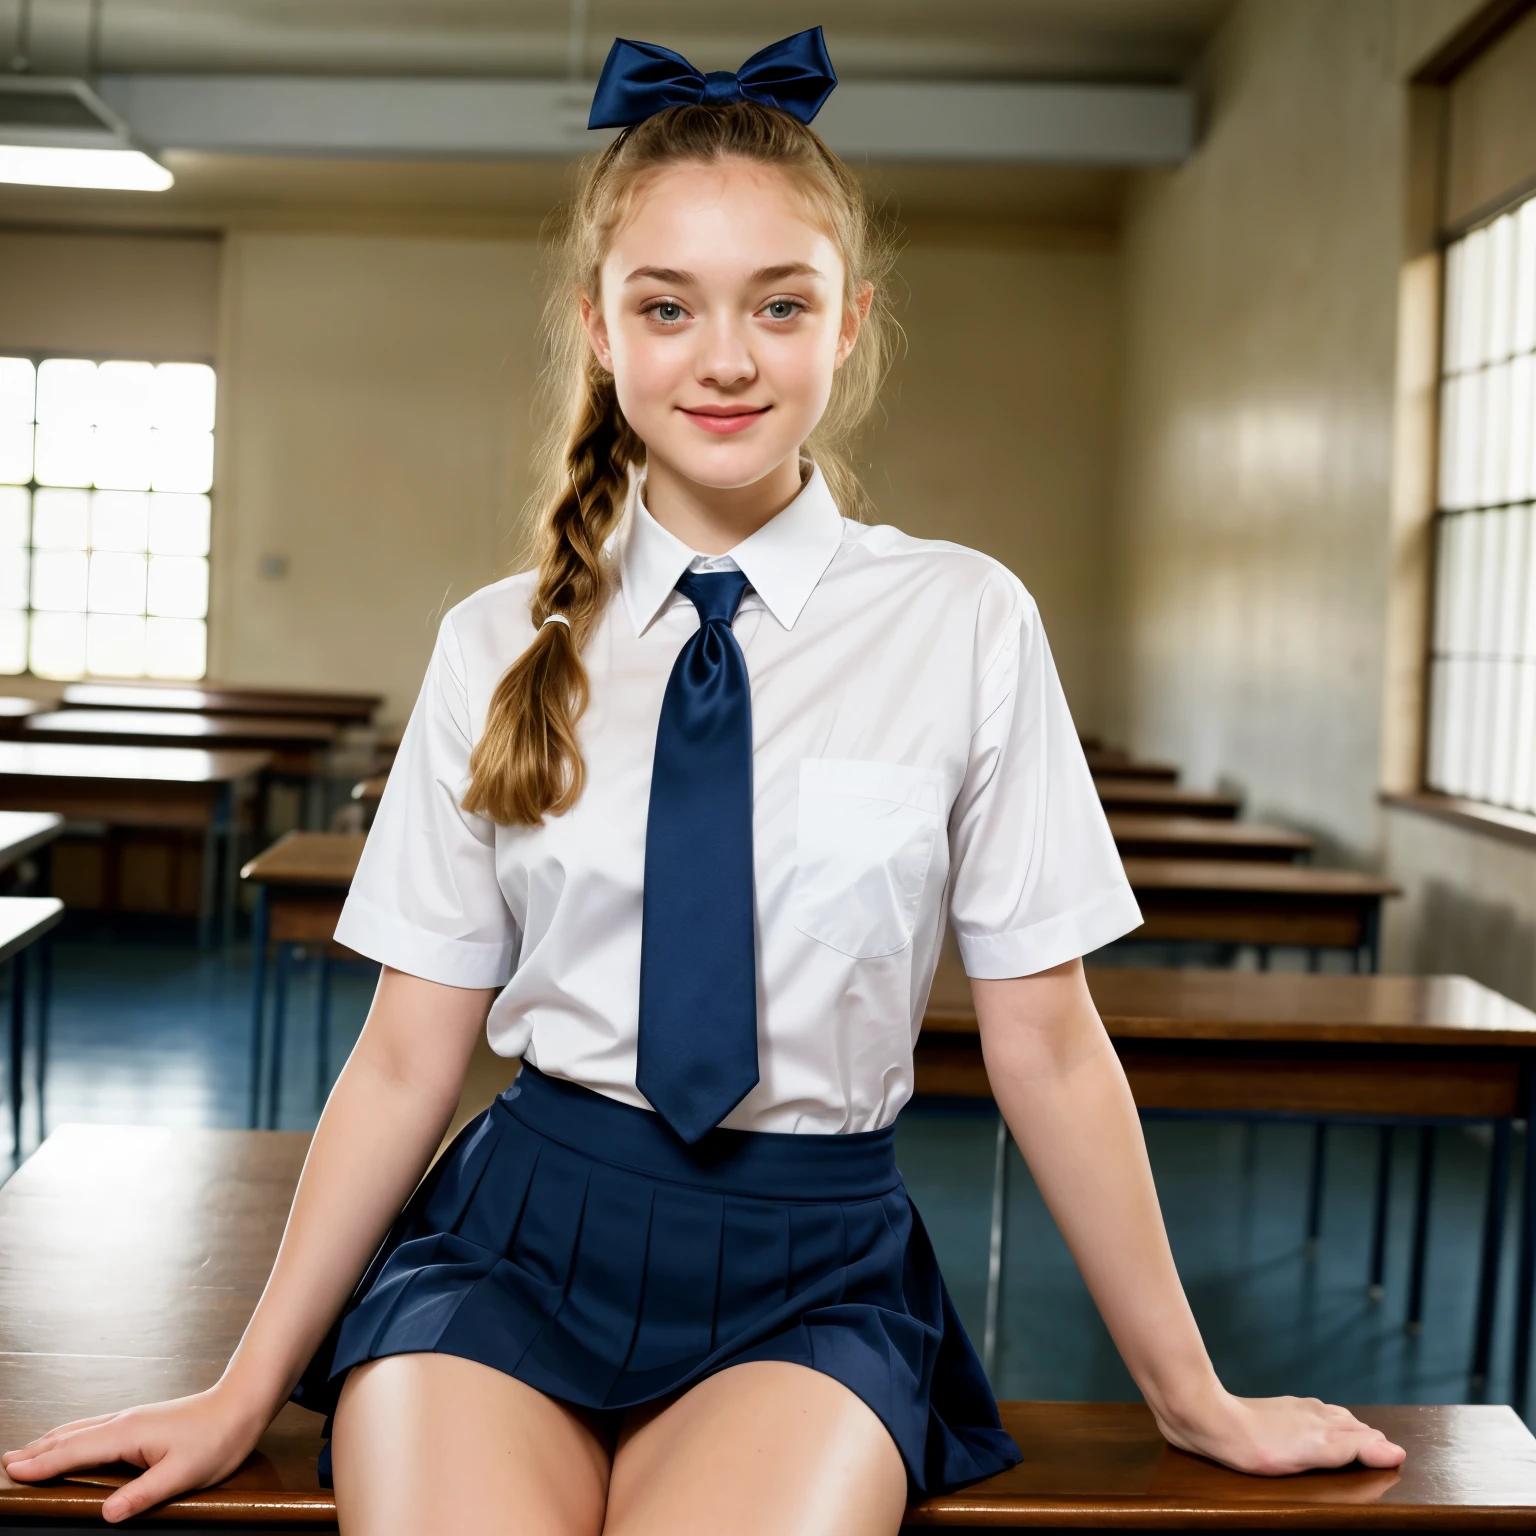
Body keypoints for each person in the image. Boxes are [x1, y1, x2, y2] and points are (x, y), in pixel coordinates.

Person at [2, 28, 1406, 1536]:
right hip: (515, 1244)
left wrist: (1191, 1393)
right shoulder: (493, 642)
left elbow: (1051, 1049)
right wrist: (239, 1390)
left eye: (778, 305)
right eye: (667, 305)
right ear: (599, 326)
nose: (724, 357)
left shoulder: (966, 622)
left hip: (813, 1268)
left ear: (849, 324)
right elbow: (409, 1059)